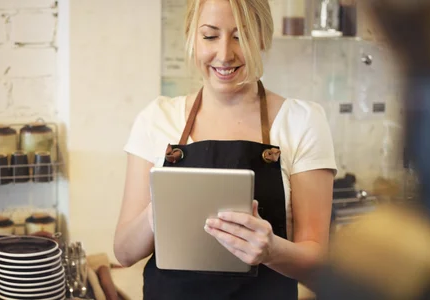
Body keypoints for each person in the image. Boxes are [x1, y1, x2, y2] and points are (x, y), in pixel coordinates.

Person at [114, 0, 337, 299]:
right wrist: (158, 213)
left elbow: (318, 264)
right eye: (210, 36)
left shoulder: (301, 121)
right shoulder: (156, 119)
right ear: (192, 37)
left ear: (262, 37)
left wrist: (271, 250)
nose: (224, 54)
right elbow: (124, 252)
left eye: (240, 35)